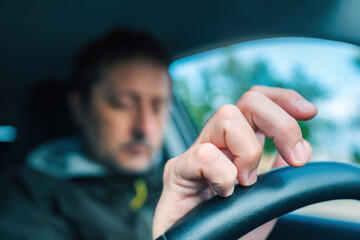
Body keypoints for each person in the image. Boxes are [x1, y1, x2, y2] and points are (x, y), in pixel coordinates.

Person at [0, 28, 317, 240]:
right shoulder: (25, 196)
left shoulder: (176, 185)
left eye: (159, 106)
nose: (144, 126)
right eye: (124, 103)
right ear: (79, 108)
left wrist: (219, 221)